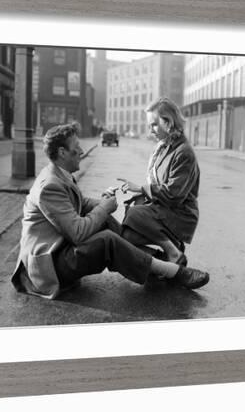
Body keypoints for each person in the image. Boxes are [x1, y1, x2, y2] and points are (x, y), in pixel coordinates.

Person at [11, 123, 209, 299]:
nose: (81, 150)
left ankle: (157, 263)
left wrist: (101, 203)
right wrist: (104, 208)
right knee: (107, 240)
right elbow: (77, 233)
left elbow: (78, 203)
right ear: (62, 153)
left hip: (60, 249)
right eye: (76, 147)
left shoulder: (59, 173)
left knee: (105, 222)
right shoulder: (49, 186)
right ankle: (174, 271)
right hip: (48, 266)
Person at [118, 97, 200, 266]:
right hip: (164, 209)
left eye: (154, 124)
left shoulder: (183, 152)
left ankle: (172, 253)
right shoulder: (162, 147)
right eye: (149, 126)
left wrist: (142, 189)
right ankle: (167, 256)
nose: (151, 130)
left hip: (180, 214)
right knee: (127, 236)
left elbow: (173, 194)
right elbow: (157, 184)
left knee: (134, 214)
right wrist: (141, 196)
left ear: (168, 122)